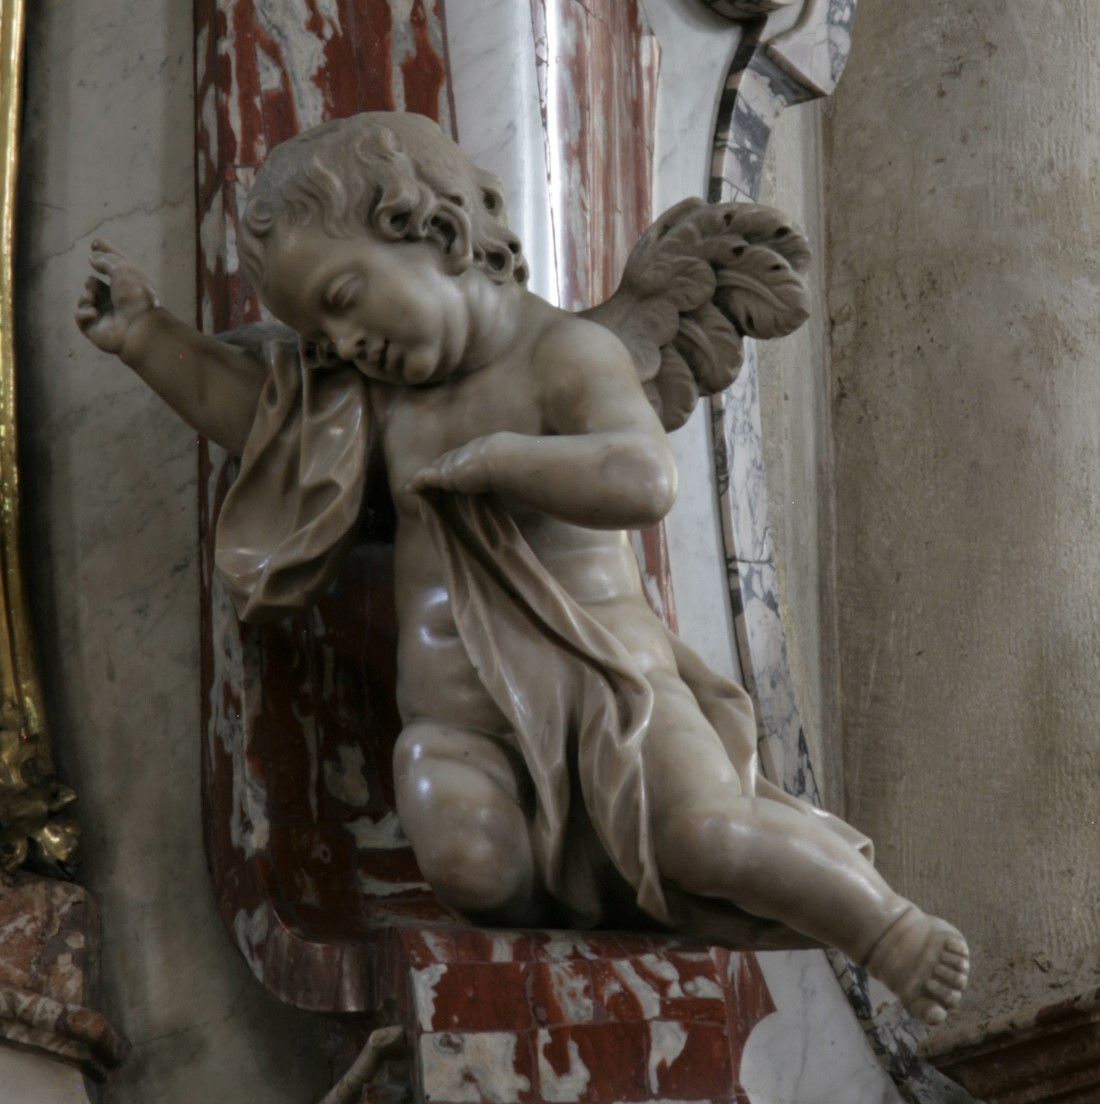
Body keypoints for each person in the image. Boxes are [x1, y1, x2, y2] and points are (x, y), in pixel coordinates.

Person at [76, 111, 968, 1025]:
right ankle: (590, 891)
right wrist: (147, 337)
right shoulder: (381, 399)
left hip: (611, 694)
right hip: (458, 722)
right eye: (320, 335)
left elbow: (640, 477)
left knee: (705, 835)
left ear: (436, 231)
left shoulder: (565, 356)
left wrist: (506, 462)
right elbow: (259, 417)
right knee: (469, 864)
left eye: (344, 299)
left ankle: (886, 927)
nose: (343, 345)